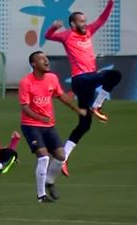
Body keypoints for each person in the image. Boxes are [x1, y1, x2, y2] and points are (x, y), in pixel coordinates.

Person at [45, 0, 122, 176]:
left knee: (85, 124)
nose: (84, 23)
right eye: (81, 21)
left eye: (85, 20)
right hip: (80, 79)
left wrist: (110, 3)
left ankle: (62, 158)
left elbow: (102, 20)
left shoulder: (88, 32)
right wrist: (54, 27)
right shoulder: (67, 35)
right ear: (73, 23)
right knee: (114, 75)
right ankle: (97, 105)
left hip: (89, 81)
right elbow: (48, 36)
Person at [19, 51, 86, 203]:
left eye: (47, 58)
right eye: (42, 59)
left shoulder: (52, 78)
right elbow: (25, 108)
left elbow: (61, 96)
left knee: (61, 157)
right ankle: (41, 196)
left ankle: (50, 181)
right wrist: (40, 117)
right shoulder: (26, 82)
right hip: (31, 126)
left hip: (48, 126)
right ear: (34, 64)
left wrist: (77, 110)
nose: (46, 61)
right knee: (43, 158)